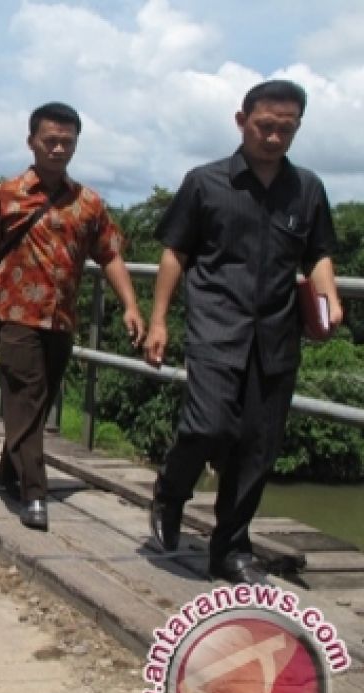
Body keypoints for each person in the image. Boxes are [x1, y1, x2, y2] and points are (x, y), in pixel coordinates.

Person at [145, 79, 342, 585]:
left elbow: (318, 253)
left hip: (277, 334)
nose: (274, 138)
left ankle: (231, 547)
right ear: (241, 121)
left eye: (287, 129)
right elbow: (175, 253)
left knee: (259, 446)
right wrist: (159, 320)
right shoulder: (205, 183)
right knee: (208, 425)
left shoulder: (308, 189)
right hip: (216, 326)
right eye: (265, 127)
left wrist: (329, 299)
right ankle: (170, 491)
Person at [0, 102, 145, 531]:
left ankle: (7, 472)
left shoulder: (88, 203)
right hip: (15, 313)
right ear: (32, 142)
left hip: (61, 318)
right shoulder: (6, 195)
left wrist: (131, 305)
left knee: (37, 404)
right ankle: (34, 493)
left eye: (67, 142)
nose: (58, 149)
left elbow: (110, 254)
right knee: (25, 394)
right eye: (50, 141)